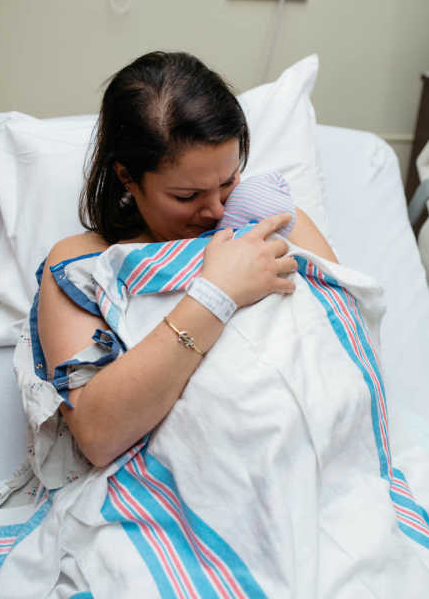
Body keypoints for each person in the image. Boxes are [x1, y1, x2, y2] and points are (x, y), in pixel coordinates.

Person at [38, 50, 337, 470]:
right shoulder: (82, 264)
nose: (215, 210)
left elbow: (346, 352)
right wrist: (217, 295)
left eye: (228, 181)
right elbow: (98, 435)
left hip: (302, 458)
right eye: (187, 196)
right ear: (127, 176)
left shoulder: (277, 222)